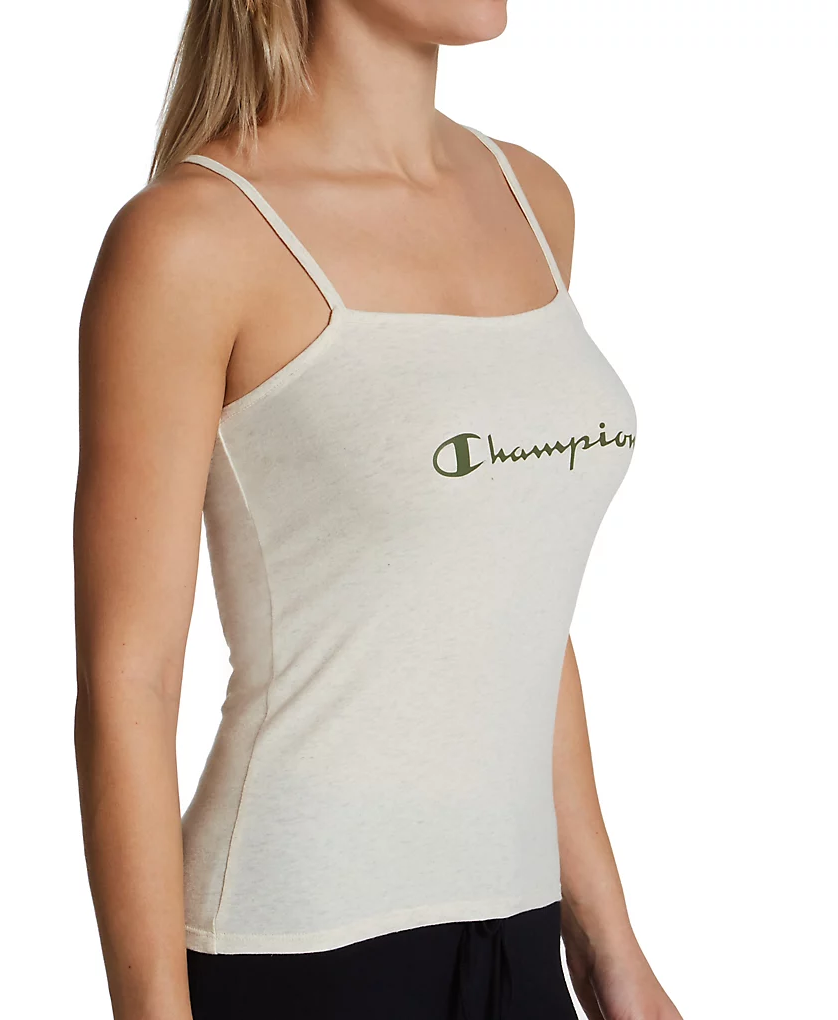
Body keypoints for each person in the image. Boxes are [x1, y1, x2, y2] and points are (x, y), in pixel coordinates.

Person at [73, 1, 683, 1018]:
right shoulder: (192, 237)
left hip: (518, 934)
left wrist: (613, 953)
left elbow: (510, 612)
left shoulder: (531, 199)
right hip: (301, 951)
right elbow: (127, 682)